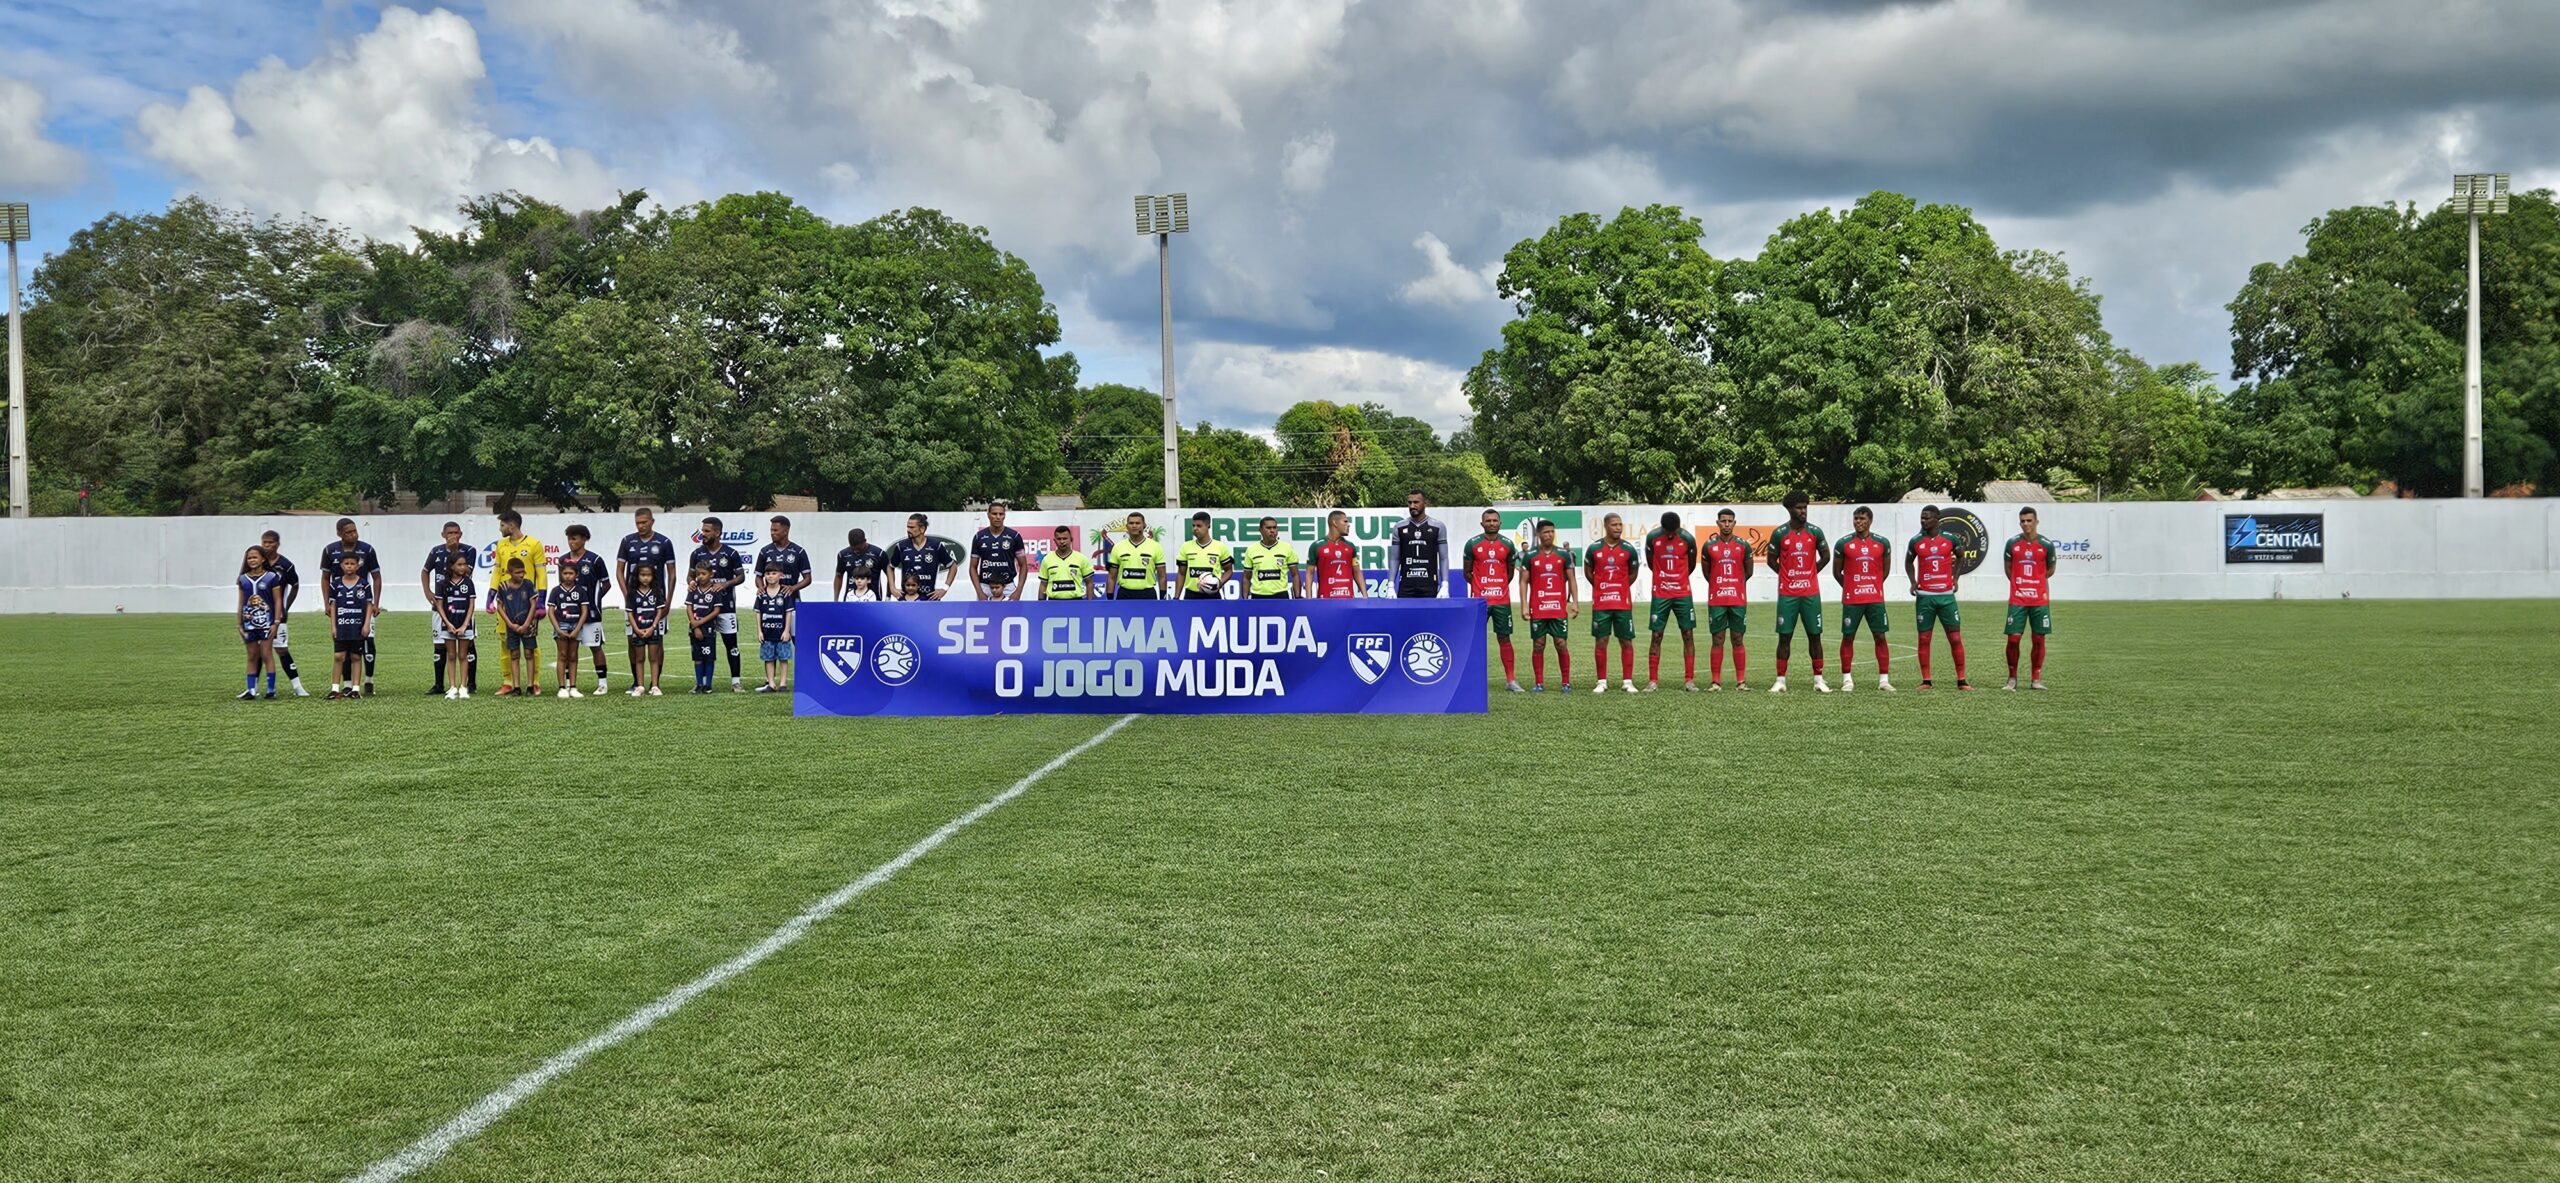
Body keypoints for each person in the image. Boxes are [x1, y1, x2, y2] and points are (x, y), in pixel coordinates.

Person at [1766, 491, 1830, 694]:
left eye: (1805, 507)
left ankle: (1819, 680)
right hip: (1788, 595)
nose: (1803, 511)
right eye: (1799, 508)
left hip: (1810, 594)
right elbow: (1771, 560)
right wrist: (1787, 576)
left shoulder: (1815, 532)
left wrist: (1810, 573)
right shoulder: (1779, 533)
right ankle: (1780, 681)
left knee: (1815, 636)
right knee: (1784, 637)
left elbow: (1826, 556)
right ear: (1789, 509)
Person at [1906, 505, 1971, 691]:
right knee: (1924, 639)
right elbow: (1908, 562)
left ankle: (1962, 680)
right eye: (1921, 518)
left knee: (1955, 638)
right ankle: (1926, 680)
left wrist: (1955, 578)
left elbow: (1960, 556)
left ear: (1936, 519)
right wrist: (1913, 582)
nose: (1923, 521)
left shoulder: (1950, 539)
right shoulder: (1916, 541)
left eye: (1926, 518)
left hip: (1946, 597)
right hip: (1925, 597)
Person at [319, 518, 382, 695]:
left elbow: (376, 577)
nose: (353, 534)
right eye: (348, 532)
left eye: (355, 531)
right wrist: (327, 604)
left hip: (363, 605)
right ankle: (347, 685)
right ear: (339, 533)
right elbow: (325, 578)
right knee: (343, 645)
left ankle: (368, 681)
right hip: (341, 606)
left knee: (367, 641)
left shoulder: (367, 550)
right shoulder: (330, 550)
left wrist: (375, 602)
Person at [1834, 506, 1894, 693]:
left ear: (1870, 520)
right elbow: (1837, 572)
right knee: (1848, 637)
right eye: (1856, 518)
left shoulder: (1882, 543)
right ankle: (1847, 680)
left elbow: (1884, 571)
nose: (1858, 522)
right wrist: (1851, 586)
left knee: (1880, 636)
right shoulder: (1843, 543)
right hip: (1852, 599)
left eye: (1862, 518)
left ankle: (1884, 680)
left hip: (1875, 599)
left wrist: (1873, 585)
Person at [685, 516, 747, 692]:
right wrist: (690, 581)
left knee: (731, 644)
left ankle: (736, 681)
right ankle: (702, 682)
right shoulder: (697, 554)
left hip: (726, 607)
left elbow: (741, 576)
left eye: (706, 531)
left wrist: (725, 584)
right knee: (702, 646)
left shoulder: (731, 553)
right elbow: (690, 575)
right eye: (702, 530)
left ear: (717, 533)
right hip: (703, 611)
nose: (702, 534)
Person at [1463, 509, 1522, 691]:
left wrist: (1499, 585)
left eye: (1494, 520)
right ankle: (1471, 679)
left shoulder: (1508, 544)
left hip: (1501, 600)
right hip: (1480, 600)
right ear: (1482, 524)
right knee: (1475, 639)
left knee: (1504, 637)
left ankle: (1511, 680)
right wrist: (1479, 587)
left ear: (1500, 523)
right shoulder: (1472, 544)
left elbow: (1510, 573)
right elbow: (1467, 572)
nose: (1491, 523)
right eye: (1487, 521)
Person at [1584, 513, 1642, 693]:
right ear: (1606, 526)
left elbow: (1633, 573)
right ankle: (1601, 681)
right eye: (1614, 525)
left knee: (1626, 641)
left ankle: (1627, 681)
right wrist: (1601, 587)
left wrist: (1620, 587)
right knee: (1601, 640)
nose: (1618, 528)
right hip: (1601, 603)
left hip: (1622, 603)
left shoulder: (1628, 549)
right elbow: (1588, 572)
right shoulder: (1594, 549)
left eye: (1620, 525)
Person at [1642, 511, 1699, 692]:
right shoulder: (1652, 538)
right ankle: (1652, 681)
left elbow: (1690, 564)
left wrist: (1678, 579)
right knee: (1656, 635)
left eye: (1673, 531)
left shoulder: (1687, 539)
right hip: (1660, 594)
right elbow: (1651, 563)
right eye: (1667, 531)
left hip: (1682, 593)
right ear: (1662, 527)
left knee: (1687, 634)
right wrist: (1663, 578)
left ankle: (1689, 680)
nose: (1670, 535)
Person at [1519, 519, 1577, 692]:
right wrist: (1523, 605)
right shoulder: (1530, 556)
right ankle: (1539, 683)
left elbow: (1572, 579)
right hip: (1538, 607)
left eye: (1552, 531)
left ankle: (1565, 682)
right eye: (1545, 532)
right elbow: (1523, 582)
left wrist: (1574, 602)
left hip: (1558, 607)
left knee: (1561, 643)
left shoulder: (1563, 555)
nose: (1549, 535)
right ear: (1538, 535)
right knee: (1538, 643)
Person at [2004, 507, 2057, 691]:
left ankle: (2036, 680)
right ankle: (2012, 679)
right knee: (2013, 640)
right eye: (2023, 521)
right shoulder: (2012, 543)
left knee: (2039, 640)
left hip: (2039, 601)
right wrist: (2021, 585)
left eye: (2029, 520)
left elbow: (2050, 570)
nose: (2026, 524)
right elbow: (2008, 570)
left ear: (2036, 522)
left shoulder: (2047, 545)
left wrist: (2036, 583)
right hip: (2017, 600)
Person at [421, 520, 476, 696]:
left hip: (462, 603)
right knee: (439, 644)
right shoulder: (435, 551)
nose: (453, 536)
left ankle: (469, 683)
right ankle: (439, 684)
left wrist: (454, 553)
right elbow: (425, 571)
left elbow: (466, 573)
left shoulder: (468, 551)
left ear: (461, 534)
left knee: (468, 644)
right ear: (443, 535)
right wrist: (428, 591)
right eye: (450, 533)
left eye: (456, 533)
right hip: (441, 605)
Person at [558, 524, 612, 693]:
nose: (571, 542)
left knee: (595, 646)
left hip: (591, 615)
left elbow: (606, 584)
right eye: (569, 538)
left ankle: (602, 683)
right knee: (567, 651)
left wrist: (592, 601)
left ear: (584, 539)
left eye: (574, 538)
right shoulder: (563, 560)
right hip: (568, 615)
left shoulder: (595, 560)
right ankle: (568, 684)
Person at [1702, 509, 1753, 691]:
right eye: (1723, 521)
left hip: (1737, 598)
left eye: (1730, 521)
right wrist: (1720, 584)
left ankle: (1741, 681)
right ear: (1717, 523)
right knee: (1718, 638)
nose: (1726, 524)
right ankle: (1715, 682)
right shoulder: (1709, 546)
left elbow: (1748, 572)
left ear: (1734, 523)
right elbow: (1707, 573)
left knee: (1738, 638)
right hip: (1717, 599)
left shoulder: (1743, 546)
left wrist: (1735, 584)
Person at [255, 530, 309, 696]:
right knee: (258, 650)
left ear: (277, 543)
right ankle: (253, 688)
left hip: (278, 615)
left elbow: (295, 585)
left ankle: (297, 686)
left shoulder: (285, 565)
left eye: (270, 542)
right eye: (264, 542)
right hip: (259, 615)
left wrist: (286, 606)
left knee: (282, 649)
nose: (267, 545)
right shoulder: (257, 563)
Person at [325, 549, 376, 700]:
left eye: (352, 564)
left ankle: (355, 689)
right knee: (339, 656)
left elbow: (369, 605)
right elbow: (332, 605)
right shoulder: (335, 585)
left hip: (357, 626)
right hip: (342, 625)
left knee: (355, 656)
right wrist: (333, 625)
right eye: (346, 564)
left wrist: (367, 624)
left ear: (357, 566)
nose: (349, 566)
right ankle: (335, 689)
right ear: (341, 565)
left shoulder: (364, 584)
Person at [616, 508, 677, 621]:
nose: (640, 526)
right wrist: (627, 596)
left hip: (657, 597)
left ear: (652, 521)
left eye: (644, 522)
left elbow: (672, 573)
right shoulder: (627, 541)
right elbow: (619, 571)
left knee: (656, 635)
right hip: (634, 596)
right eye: (638, 523)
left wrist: (668, 601)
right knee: (632, 636)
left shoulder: (664, 542)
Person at [237, 546, 282, 700]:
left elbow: (277, 600)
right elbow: (241, 602)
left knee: (266, 653)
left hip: (266, 622)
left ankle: (271, 689)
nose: (252, 560)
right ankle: (251, 690)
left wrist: (276, 622)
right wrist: (239, 624)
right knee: (251, 655)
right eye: (249, 558)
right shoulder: (243, 579)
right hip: (249, 623)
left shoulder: (271, 577)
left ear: (263, 559)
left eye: (255, 557)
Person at [493, 558, 542, 697]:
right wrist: (509, 624)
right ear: (509, 572)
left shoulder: (528, 584)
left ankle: (531, 686)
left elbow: (533, 604)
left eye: (523, 572)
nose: (521, 575)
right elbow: (500, 607)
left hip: (528, 625)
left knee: (529, 653)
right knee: (514, 654)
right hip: (512, 626)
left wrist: (527, 623)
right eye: (518, 572)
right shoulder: (503, 587)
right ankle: (516, 687)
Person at [489, 508, 546, 626]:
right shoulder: (500, 544)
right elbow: (497, 572)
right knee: (505, 639)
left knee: (529, 640)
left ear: (511, 525)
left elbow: (542, 574)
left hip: (527, 599)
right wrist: (490, 597)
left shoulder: (534, 544)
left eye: (502, 525)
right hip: (505, 598)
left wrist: (541, 601)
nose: (500, 529)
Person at [434, 553, 476, 700]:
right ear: (451, 566)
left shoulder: (468, 583)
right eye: (459, 564)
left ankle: (463, 687)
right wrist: (448, 624)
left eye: (464, 564)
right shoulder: (442, 584)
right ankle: (452, 687)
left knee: (463, 655)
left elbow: (471, 604)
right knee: (451, 655)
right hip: (449, 625)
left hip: (464, 625)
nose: (463, 567)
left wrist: (465, 625)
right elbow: (439, 605)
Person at [969, 501, 1031, 602]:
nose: (998, 517)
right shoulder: (978, 537)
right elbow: (972, 567)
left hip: (1008, 587)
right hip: (986, 587)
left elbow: (1023, 565)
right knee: (985, 617)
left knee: (1011, 617)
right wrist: (979, 591)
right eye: (994, 514)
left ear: (1004, 516)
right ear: (988, 515)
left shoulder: (1014, 536)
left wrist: (1018, 591)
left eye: (1001, 514)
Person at [549, 554, 592, 698]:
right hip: (561, 624)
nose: (568, 576)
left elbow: (584, 611)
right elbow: (550, 611)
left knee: (573, 656)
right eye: (565, 573)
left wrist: (578, 628)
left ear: (576, 574)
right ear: (561, 574)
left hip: (576, 625)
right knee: (562, 655)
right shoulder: (556, 591)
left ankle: (573, 686)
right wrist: (558, 629)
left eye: (571, 573)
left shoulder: (581, 591)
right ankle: (562, 687)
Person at [885, 514, 956, 600]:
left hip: (929, 598)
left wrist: (945, 588)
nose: (908, 530)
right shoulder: (901, 546)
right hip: (907, 599)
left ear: (922, 529)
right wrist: (892, 588)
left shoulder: (936, 546)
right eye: (907, 527)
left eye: (912, 527)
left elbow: (953, 566)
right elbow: (890, 567)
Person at [1391, 491, 1447, 599]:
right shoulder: (1399, 527)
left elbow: (1443, 558)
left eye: (1416, 502)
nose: (1412, 506)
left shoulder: (1438, 526)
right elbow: (1394, 559)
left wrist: (1445, 584)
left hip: (1429, 585)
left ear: (1425, 503)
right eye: (1410, 503)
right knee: (1405, 616)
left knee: (1429, 616)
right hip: (1406, 586)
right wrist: (1390, 585)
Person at [624, 565, 667, 697]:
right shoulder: (632, 593)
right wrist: (636, 629)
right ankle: (640, 686)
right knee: (639, 658)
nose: (645, 578)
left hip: (652, 630)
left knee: (653, 658)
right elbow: (630, 613)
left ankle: (654, 686)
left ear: (653, 576)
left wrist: (653, 627)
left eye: (648, 575)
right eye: (642, 575)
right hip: (638, 630)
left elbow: (660, 611)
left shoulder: (656, 592)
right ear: (637, 576)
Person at [1304, 510, 1363, 599]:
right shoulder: (1317, 546)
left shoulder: (1350, 546)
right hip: (1325, 601)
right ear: (1335, 523)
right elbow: (1309, 573)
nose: (1348, 525)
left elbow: (1357, 572)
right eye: (1345, 521)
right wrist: (1309, 599)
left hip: (1348, 600)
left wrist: (1365, 596)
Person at [756, 515, 814, 604]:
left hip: (792, 599)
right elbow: (758, 576)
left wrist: (793, 588)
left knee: (792, 618)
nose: (772, 533)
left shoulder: (798, 552)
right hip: (770, 600)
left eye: (775, 530)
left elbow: (807, 579)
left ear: (785, 531)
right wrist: (761, 587)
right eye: (771, 530)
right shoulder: (765, 551)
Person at [1106, 512, 1165, 600]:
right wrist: (1109, 599)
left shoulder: (1155, 546)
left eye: (1137, 523)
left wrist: (1162, 598)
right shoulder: (1118, 547)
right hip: (1124, 594)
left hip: (1148, 594)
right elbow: (1111, 576)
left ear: (1144, 525)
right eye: (1131, 523)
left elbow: (1162, 576)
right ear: (1127, 526)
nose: (1134, 526)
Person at [1239, 517, 1299, 601]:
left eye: (1274, 527)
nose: (1272, 530)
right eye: (1268, 528)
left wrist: (1297, 598)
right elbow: (1246, 577)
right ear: (1260, 530)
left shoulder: (1287, 548)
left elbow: (1295, 575)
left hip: (1281, 595)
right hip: (1258, 596)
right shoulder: (1251, 549)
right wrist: (1244, 600)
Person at [754, 571, 795, 692]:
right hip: (767, 633)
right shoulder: (761, 594)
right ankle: (771, 684)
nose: (770, 576)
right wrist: (759, 631)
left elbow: (788, 612)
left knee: (783, 658)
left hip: (781, 632)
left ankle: (783, 684)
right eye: (767, 574)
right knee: (769, 659)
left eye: (773, 573)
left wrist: (787, 631)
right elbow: (758, 613)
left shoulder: (785, 593)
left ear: (781, 575)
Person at [685, 566, 723, 694]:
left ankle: (708, 685)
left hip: (709, 629)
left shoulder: (715, 590)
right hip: (694, 629)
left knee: (709, 657)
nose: (700, 576)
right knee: (697, 657)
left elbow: (716, 611)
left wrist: (699, 623)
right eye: (698, 574)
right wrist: (694, 625)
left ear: (711, 574)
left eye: (703, 573)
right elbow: (689, 607)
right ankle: (699, 684)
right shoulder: (693, 589)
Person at [1176, 512, 1230, 600]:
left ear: (1208, 526)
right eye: (1193, 526)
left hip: (1213, 596)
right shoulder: (1185, 547)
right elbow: (1181, 573)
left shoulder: (1220, 547)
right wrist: (1176, 597)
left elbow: (1229, 570)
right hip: (1191, 596)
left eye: (1199, 526)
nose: (1195, 528)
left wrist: (1218, 584)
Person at [1039, 526, 1095, 600]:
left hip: (1076, 602)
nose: (1062, 541)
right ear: (1054, 540)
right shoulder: (1047, 559)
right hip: (1053, 603)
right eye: (1059, 539)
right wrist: (1040, 605)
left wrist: (1090, 604)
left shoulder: (1081, 558)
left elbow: (1089, 583)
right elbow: (1043, 584)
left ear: (1071, 539)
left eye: (1065, 538)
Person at [835, 528, 888, 601]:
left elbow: (889, 574)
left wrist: (888, 596)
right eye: (853, 548)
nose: (856, 551)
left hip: (873, 599)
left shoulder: (879, 554)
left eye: (858, 548)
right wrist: (835, 600)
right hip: (851, 599)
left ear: (865, 541)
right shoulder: (843, 555)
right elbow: (838, 576)